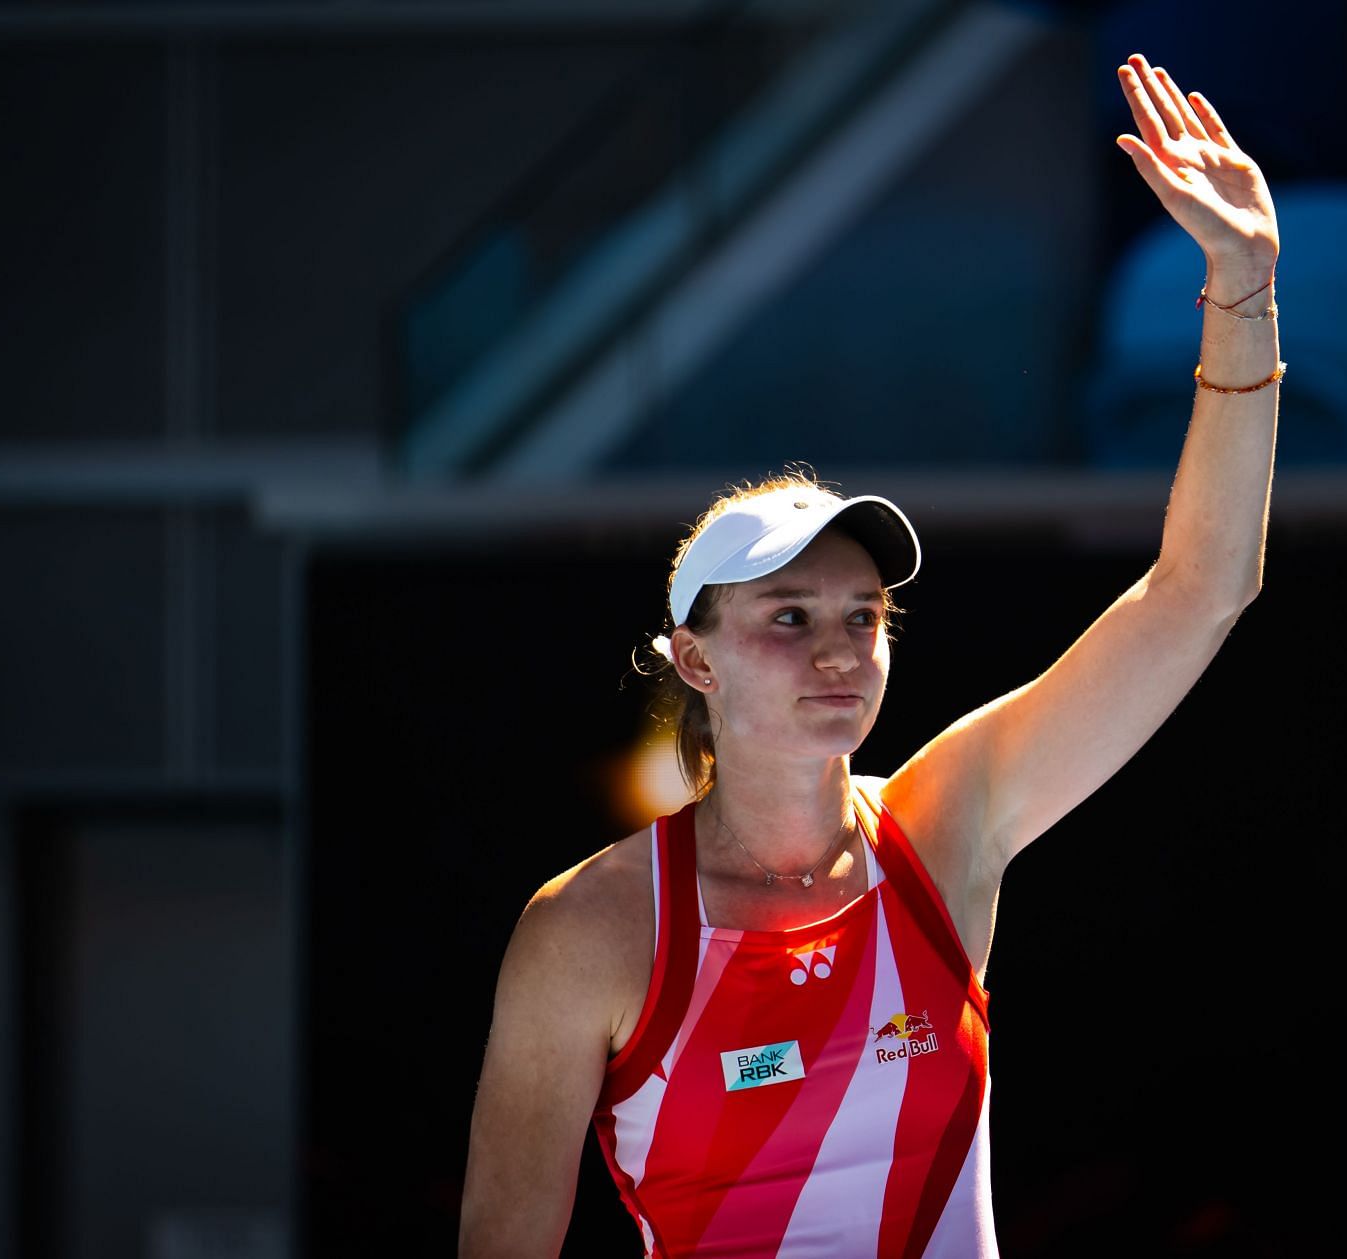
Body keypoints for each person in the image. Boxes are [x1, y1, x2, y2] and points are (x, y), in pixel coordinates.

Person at [458, 52, 1282, 1258]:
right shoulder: (585, 928)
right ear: (695, 660)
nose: (838, 646)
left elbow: (1204, 585)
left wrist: (1243, 287)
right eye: (788, 616)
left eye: (862, 615)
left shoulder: (949, 818)